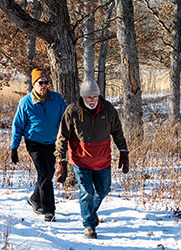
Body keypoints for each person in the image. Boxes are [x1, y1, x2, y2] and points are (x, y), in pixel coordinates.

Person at [54, 78, 130, 239]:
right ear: (82, 97)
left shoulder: (108, 109)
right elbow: (62, 137)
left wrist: (123, 152)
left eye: (95, 96)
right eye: (88, 97)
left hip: (103, 159)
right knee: (86, 192)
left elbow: (117, 132)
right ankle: (88, 225)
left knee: (103, 190)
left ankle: (91, 210)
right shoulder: (72, 111)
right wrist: (61, 161)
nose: (92, 100)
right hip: (80, 161)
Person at [11, 68, 67, 221]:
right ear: (34, 84)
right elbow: (18, 125)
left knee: (47, 174)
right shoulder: (25, 102)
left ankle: (35, 198)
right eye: (40, 83)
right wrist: (14, 147)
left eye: (46, 82)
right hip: (34, 143)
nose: (44, 85)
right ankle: (49, 210)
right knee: (44, 174)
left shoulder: (56, 98)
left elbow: (67, 118)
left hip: (52, 143)